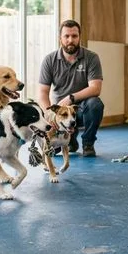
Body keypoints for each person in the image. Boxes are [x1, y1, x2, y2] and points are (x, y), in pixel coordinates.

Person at [38, 19, 104, 157]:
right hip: (59, 115)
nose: (70, 40)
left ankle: (88, 143)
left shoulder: (91, 58)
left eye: (74, 36)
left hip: (80, 111)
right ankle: (69, 140)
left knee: (95, 104)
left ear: (79, 37)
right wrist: (49, 116)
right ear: (60, 38)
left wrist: (71, 98)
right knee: (51, 152)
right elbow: (43, 93)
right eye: (66, 36)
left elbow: (95, 88)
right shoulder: (49, 60)